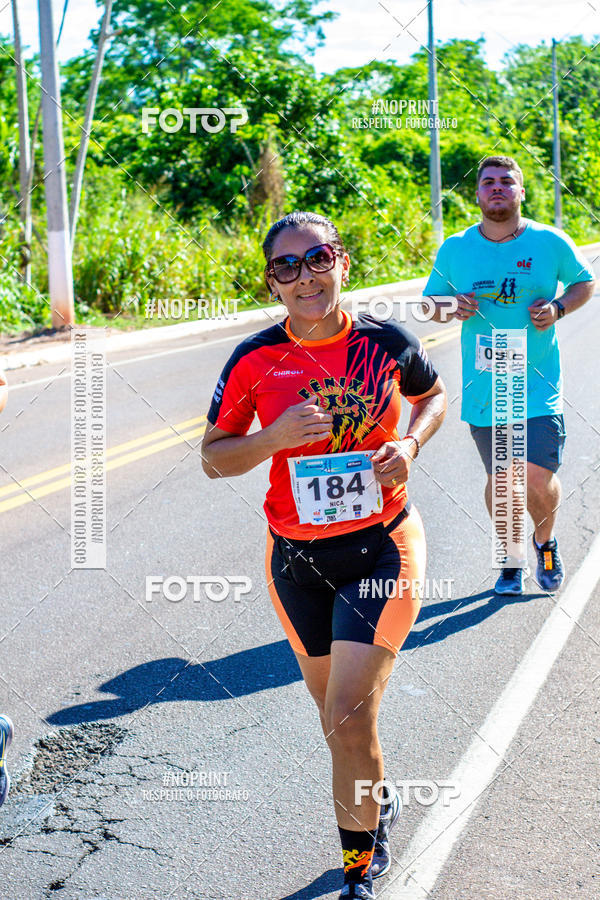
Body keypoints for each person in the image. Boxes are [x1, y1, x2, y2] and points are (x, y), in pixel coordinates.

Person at [202, 211, 446, 899]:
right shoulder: (253, 359)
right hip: (297, 563)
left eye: (318, 259)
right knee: (337, 725)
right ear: (272, 282)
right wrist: (272, 436)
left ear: (342, 262)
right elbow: (214, 460)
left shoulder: (385, 341)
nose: (305, 276)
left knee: (347, 716)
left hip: (382, 548)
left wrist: (413, 443)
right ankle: (379, 801)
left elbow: (432, 396)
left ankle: (357, 869)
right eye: (288, 266)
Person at [424, 155, 595, 596]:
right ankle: (511, 557)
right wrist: (451, 307)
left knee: (535, 477)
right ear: (477, 193)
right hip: (486, 390)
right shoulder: (457, 248)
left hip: (537, 386)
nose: (496, 188)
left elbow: (584, 282)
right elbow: (429, 304)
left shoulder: (549, 241)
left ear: (521, 192)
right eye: (488, 182)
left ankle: (545, 542)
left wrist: (558, 308)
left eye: (506, 182)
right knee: (502, 481)